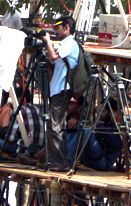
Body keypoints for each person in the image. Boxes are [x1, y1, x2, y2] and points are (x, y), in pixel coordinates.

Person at [42, 16, 79, 172]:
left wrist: (48, 42)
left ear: (67, 28)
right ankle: (56, 160)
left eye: (57, 27)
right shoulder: (63, 45)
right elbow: (54, 66)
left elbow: (54, 56)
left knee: (55, 126)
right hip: (57, 89)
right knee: (55, 126)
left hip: (63, 89)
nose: (55, 31)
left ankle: (61, 163)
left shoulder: (70, 43)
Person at [67, 98, 123, 171]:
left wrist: (99, 134)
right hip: (91, 159)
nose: (100, 114)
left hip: (103, 162)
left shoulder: (118, 128)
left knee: (86, 132)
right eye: (99, 111)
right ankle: (60, 156)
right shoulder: (101, 125)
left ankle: (66, 160)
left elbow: (116, 145)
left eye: (103, 111)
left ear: (111, 113)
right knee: (75, 131)